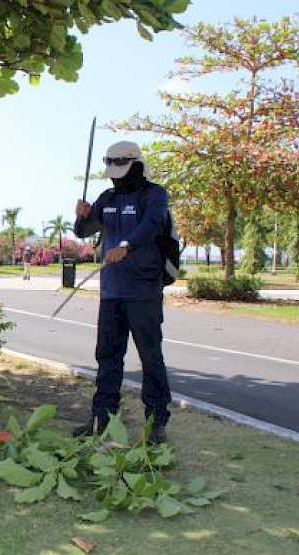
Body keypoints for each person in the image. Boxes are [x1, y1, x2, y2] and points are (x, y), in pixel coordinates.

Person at [72, 140, 172, 444]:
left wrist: (126, 246)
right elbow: (83, 232)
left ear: (136, 165)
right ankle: (101, 419)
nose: (116, 175)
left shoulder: (154, 194)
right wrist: (81, 216)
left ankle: (156, 423)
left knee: (150, 357)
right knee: (107, 357)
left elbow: (154, 224)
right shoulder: (107, 198)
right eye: (112, 168)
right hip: (111, 292)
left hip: (144, 291)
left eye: (122, 167)